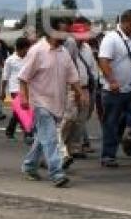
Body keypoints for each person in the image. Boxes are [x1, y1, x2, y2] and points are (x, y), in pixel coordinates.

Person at [19, 20, 84, 188]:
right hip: (40, 102)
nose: (66, 36)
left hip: (57, 103)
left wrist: (80, 93)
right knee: (51, 138)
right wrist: (24, 98)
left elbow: (73, 76)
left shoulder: (64, 52)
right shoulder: (37, 51)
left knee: (43, 138)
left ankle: (29, 165)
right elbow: (23, 77)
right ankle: (57, 172)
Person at [97, 9, 131, 168]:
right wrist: (112, 81)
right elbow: (103, 61)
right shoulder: (111, 39)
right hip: (113, 92)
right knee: (112, 124)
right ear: (123, 23)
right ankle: (108, 156)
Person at [60, 22, 98, 165]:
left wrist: (93, 85)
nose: (82, 38)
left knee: (81, 120)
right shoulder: (67, 47)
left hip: (86, 87)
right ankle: (60, 148)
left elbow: (92, 67)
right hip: (71, 88)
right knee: (69, 119)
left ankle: (73, 148)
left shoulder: (87, 48)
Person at [3, 37, 31, 142]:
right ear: (20, 49)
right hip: (15, 88)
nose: (27, 51)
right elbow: (5, 76)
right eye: (26, 49)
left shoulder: (29, 58)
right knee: (22, 111)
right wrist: (2, 91)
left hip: (27, 88)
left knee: (18, 112)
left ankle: (10, 130)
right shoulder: (10, 60)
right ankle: (27, 133)